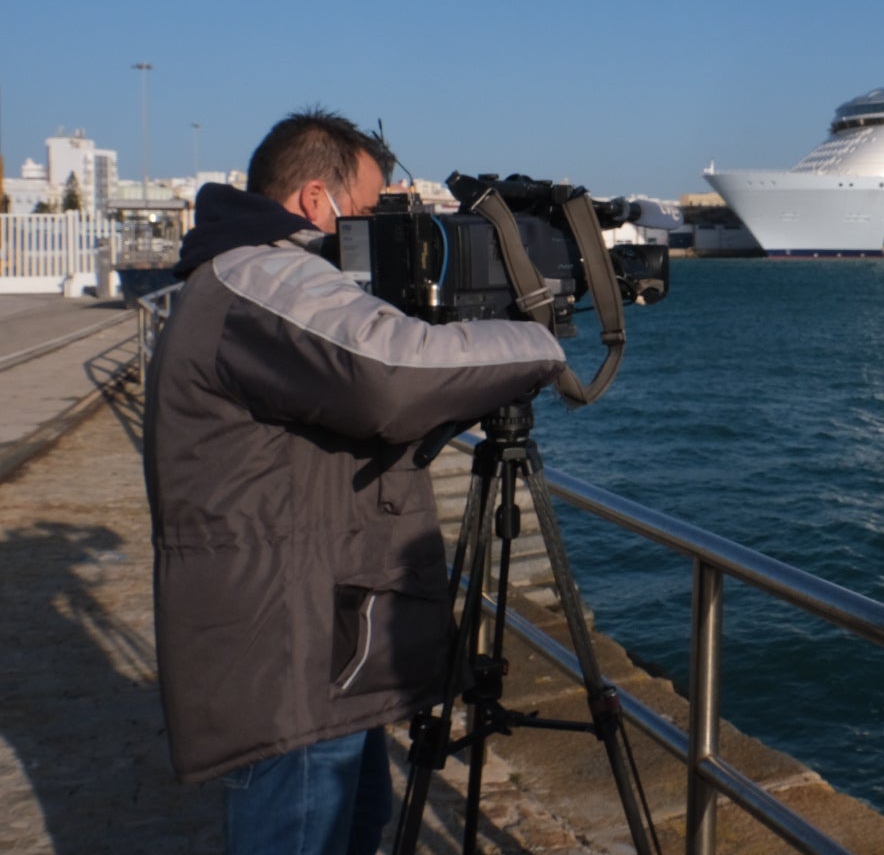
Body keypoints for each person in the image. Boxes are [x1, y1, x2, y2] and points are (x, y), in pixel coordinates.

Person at [142, 108, 567, 854]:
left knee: (354, 823)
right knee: (302, 829)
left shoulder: (253, 271)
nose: (374, 229)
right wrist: (538, 338)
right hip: (287, 643)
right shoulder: (263, 276)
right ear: (315, 200)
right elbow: (390, 377)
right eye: (369, 210)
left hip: (313, 622)